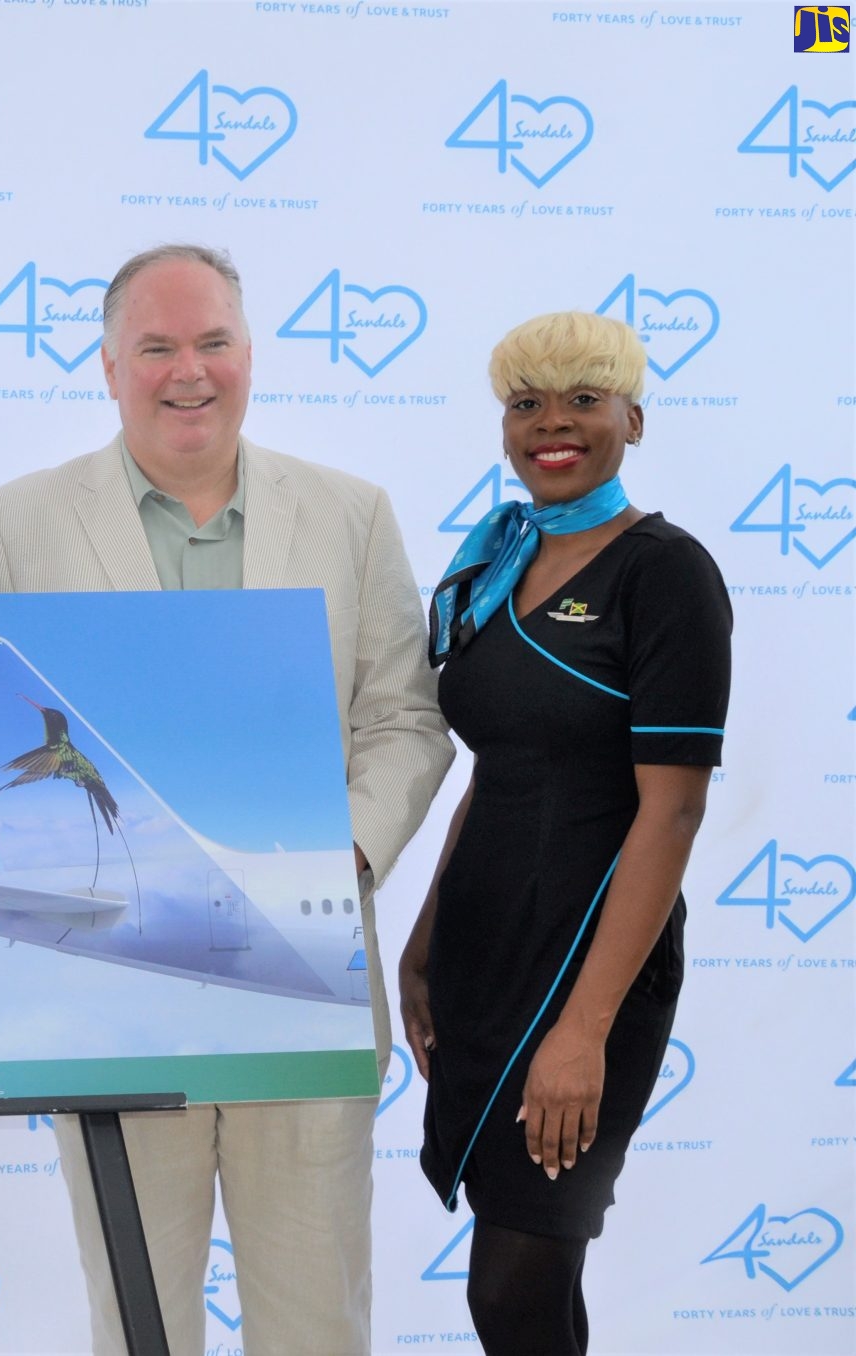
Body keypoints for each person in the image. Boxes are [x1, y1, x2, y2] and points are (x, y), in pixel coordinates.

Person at [0, 242, 453, 1354]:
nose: (189, 371)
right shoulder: (13, 525)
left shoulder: (349, 514)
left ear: (248, 352)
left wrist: (345, 858)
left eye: (212, 342)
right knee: (137, 1323)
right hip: (115, 986)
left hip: (305, 973)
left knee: (315, 1323)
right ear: (107, 366)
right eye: (157, 347)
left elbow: (403, 720)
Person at [400, 311, 730, 1354]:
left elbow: (669, 809)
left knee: (513, 1281)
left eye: (582, 400)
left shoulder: (662, 571)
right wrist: (422, 937)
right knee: (527, 1287)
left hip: (589, 971)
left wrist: (582, 1030)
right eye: (524, 403)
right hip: (480, 956)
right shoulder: (495, 566)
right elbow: (493, 771)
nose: (552, 424)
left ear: (630, 419)